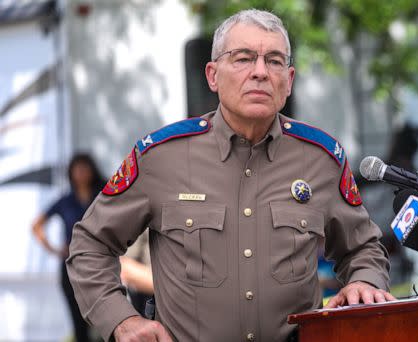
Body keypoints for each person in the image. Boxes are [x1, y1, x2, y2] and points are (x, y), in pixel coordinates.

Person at [67, 9, 394, 342]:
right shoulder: (161, 157)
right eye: (243, 59)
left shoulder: (321, 159)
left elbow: (362, 248)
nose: (260, 72)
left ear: (290, 80)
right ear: (212, 75)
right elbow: (90, 245)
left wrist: (363, 282)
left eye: (275, 61)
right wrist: (123, 321)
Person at [32, 153, 105, 342]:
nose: (81, 173)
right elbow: (37, 225)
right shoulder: (66, 200)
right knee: (78, 322)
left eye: (85, 168)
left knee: (105, 318)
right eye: (77, 168)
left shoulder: (103, 195)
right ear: (71, 173)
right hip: (70, 265)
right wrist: (54, 249)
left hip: (99, 264)